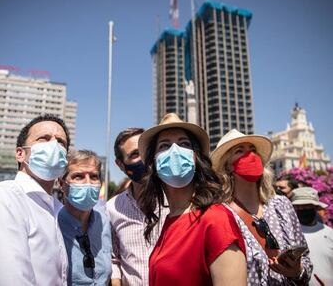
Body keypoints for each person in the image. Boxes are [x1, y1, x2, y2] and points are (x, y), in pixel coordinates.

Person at [139, 113, 247, 286]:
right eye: (164, 145)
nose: (175, 150)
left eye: (184, 144)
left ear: (196, 158)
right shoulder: (169, 219)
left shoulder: (215, 219)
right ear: (154, 162)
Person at [0, 114, 70, 285]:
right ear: (20, 154)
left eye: (61, 142)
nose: (54, 146)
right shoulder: (5, 197)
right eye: (44, 139)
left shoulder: (56, 208)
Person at [211, 129, 312, 285]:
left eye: (253, 150)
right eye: (240, 151)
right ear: (228, 166)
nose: (250, 156)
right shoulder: (220, 213)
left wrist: (297, 272)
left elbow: (305, 259)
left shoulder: (282, 205)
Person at [106, 128, 167, 286]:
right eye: (134, 154)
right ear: (120, 164)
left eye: (146, 151)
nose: (143, 158)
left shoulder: (175, 199)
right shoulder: (112, 208)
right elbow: (114, 258)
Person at [58, 149, 111, 285]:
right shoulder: (53, 225)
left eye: (93, 176)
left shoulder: (104, 221)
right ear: (62, 184)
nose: (88, 183)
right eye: (78, 176)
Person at [291, 187, 333, 286]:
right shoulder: (289, 234)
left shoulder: (330, 233)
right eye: (299, 206)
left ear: (316, 207)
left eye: (307, 206)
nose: (303, 209)